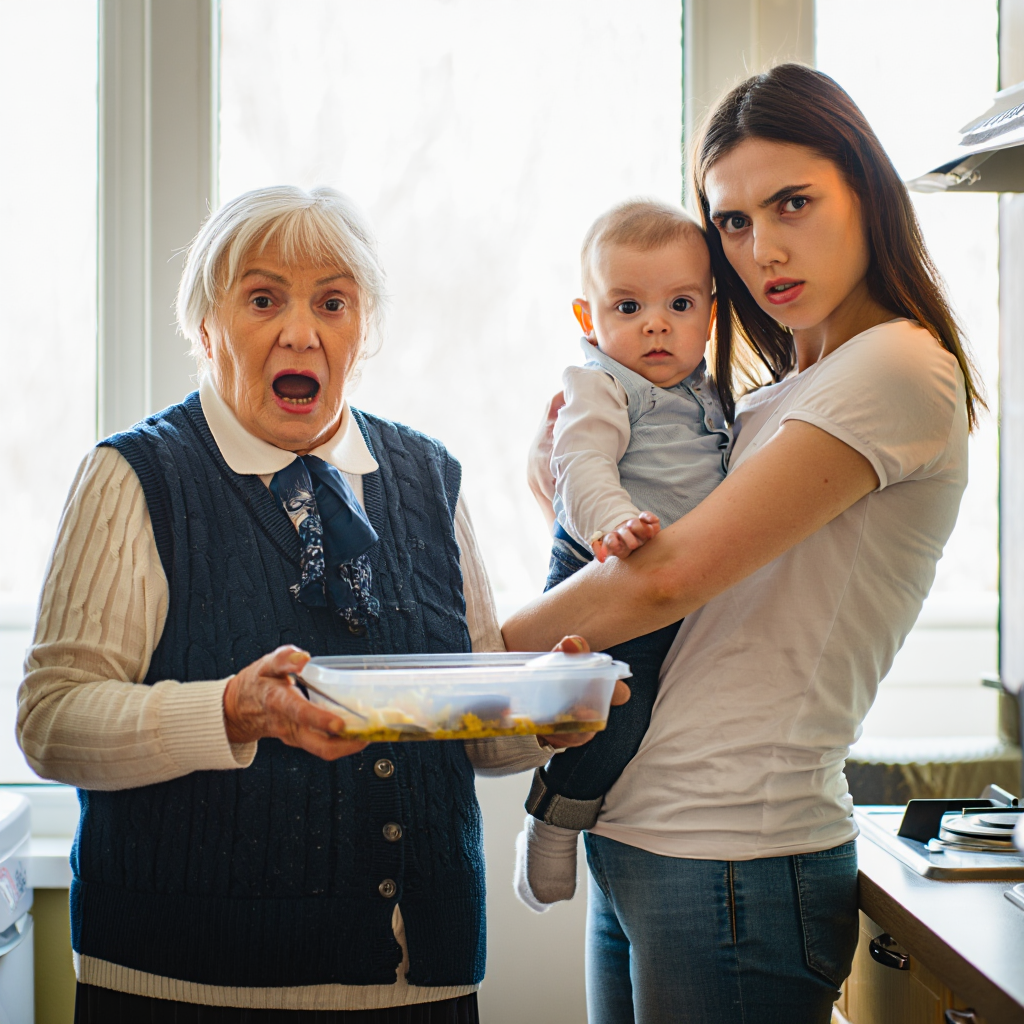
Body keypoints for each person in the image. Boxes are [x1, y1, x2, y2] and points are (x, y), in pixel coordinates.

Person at [16, 185, 621, 1023]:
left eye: (332, 303)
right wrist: (231, 711)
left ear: (359, 332)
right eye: (263, 299)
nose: (301, 331)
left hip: (423, 984)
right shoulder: (134, 477)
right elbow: (51, 721)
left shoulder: (429, 478)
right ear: (205, 328)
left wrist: (540, 718)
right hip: (184, 985)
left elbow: (470, 734)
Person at [503, 63, 983, 1024]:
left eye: (793, 202)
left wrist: (476, 661)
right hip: (645, 833)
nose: (763, 248)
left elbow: (664, 580)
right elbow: (662, 574)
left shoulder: (895, 364)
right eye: (732, 221)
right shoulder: (759, 399)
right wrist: (557, 474)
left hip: (737, 852)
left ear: (867, 191)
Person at [513, 199, 730, 912]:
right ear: (588, 320)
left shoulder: (711, 396)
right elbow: (580, 463)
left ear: (709, 313)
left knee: (660, 713)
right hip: (600, 568)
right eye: (629, 305)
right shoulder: (602, 385)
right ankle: (552, 821)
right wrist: (615, 526)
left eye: (679, 304)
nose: (656, 324)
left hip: (670, 591)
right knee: (614, 713)